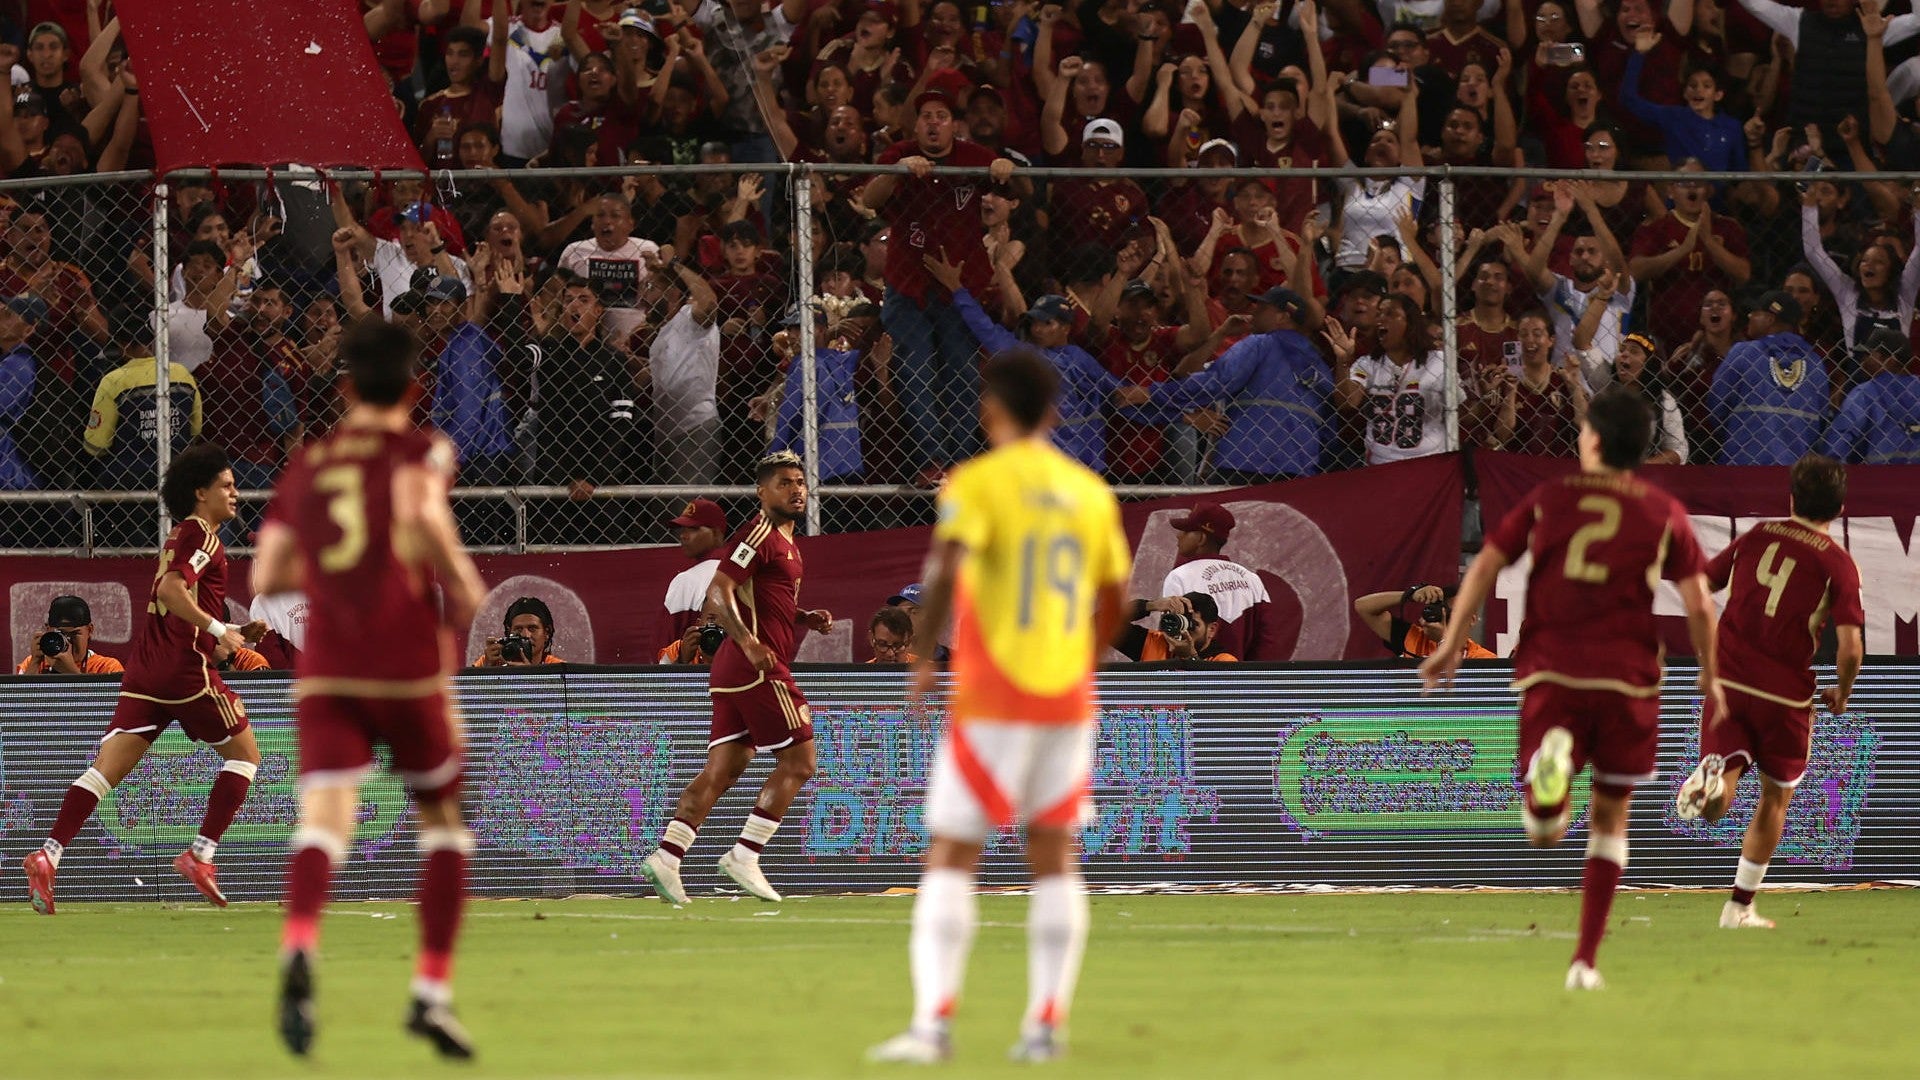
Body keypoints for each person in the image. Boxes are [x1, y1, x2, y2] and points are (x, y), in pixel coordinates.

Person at [868, 349, 1131, 1064]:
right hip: (1066, 696)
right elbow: (1116, 601)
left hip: (991, 695)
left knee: (953, 852)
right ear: (1052, 414)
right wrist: (1083, 655)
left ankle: (933, 1027)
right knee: (1053, 854)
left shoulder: (976, 483)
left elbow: (946, 568)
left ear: (989, 411)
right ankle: (1044, 1027)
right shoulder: (1088, 492)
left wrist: (922, 658)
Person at [1421, 387, 1722, 991]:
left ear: (1589, 439)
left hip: (1553, 667)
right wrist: (1712, 675)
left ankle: (1546, 778)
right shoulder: (1663, 511)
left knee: (1543, 831)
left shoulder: (1549, 497)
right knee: (1611, 820)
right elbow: (1698, 606)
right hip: (1628, 676)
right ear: (1641, 449)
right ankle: (1585, 962)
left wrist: (1453, 640)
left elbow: (1484, 565)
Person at [251, 316, 490, 1059]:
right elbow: (440, 550)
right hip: (405, 663)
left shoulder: (310, 463)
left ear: (344, 385)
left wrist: (332, 572)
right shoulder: (422, 450)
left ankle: (299, 943)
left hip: (325, 664)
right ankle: (430, 991)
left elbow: (268, 579)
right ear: (416, 389)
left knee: (324, 815)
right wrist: (450, 591)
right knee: (446, 819)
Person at [23, 445, 266, 916]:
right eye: (226, 486)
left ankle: (47, 854)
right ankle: (201, 855)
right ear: (200, 492)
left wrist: (229, 633)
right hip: (183, 673)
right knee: (247, 756)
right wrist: (220, 630)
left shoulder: (180, 535)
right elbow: (171, 590)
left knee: (104, 771)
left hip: (146, 670)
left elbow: (176, 604)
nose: (236, 494)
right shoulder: (205, 537)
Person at [1673, 453, 1864, 931]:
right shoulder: (1837, 563)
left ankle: (1713, 779)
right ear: (1839, 510)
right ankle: (1739, 907)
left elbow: (1701, 580)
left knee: (1725, 791)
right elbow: (1851, 647)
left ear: (1791, 497)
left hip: (1729, 680)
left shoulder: (1756, 537)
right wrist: (1842, 690)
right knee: (1774, 799)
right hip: (1785, 697)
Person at [639, 451, 834, 906]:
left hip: (734, 669)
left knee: (723, 770)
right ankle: (745, 854)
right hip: (754, 666)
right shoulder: (760, 532)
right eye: (784, 483)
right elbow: (718, 591)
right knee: (802, 761)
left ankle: (668, 856)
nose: (796, 489)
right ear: (762, 493)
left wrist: (804, 617)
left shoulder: (787, 542)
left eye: (800, 481)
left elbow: (760, 601)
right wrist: (748, 642)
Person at [864, 90, 1018, 487]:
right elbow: (869, 197)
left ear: (954, 125)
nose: (933, 122)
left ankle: (962, 464)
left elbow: (1012, 182)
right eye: (926, 116)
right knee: (915, 372)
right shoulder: (899, 153)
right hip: (907, 281)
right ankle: (932, 460)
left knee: (963, 373)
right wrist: (897, 170)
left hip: (958, 282)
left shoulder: (973, 155)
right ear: (915, 126)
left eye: (942, 115)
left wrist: (1004, 166)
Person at [1119, 286, 1332, 482]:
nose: (1254, 311)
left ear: (1283, 316)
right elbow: (1328, 427)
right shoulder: (1320, 365)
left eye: (1263, 307)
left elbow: (1215, 382)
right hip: (1301, 468)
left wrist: (1153, 393)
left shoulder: (1261, 343)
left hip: (1246, 460)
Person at [1709, 290, 1830, 466]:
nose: (1749, 317)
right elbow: (1822, 420)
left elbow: (1716, 406)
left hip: (1743, 466)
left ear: (1770, 319)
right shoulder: (1816, 363)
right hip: (1798, 471)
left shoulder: (1743, 353)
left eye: (1755, 313)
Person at [1158, 502, 1276, 661]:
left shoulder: (1180, 577)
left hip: (1197, 680)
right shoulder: (1251, 579)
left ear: (1201, 538)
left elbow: (1174, 638)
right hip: (1242, 680)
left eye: (1186, 531)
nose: (1179, 535)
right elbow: (1266, 642)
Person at [1825, 327, 1920, 464]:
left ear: (1888, 359)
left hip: (1877, 479)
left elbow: (1839, 438)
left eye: (1868, 354)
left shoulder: (1866, 392)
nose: (1862, 360)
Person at [1353, 584, 1495, 660]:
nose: (1448, 619)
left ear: (1472, 619)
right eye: (1444, 612)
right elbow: (1363, 607)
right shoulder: (1415, 639)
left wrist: (1443, 640)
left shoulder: (1484, 658)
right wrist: (1411, 595)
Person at [662, 497, 728, 644]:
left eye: (693, 529)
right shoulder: (749, 571)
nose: (683, 535)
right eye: (683, 529)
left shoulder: (687, 580)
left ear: (717, 534)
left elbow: (664, 654)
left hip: (700, 666)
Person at [15, 594, 124, 674]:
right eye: (61, 634)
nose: (67, 641)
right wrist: (35, 662)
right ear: (48, 630)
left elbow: (110, 705)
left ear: (89, 630)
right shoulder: (33, 662)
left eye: (74, 634)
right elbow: (18, 703)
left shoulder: (107, 668)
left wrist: (71, 672)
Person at [1113, 592, 1239, 662]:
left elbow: (1214, 703)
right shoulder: (1154, 643)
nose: (1184, 631)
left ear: (1211, 629)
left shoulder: (1223, 661)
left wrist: (1190, 658)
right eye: (1180, 622)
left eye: (1192, 624)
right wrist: (1150, 605)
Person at [471, 597, 566, 667]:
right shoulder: (491, 661)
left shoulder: (557, 667)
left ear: (546, 633)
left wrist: (528, 675)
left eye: (532, 628)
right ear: (509, 632)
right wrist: (486, 671)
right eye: (518, 629)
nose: (525, 635)